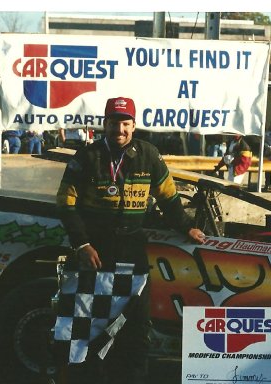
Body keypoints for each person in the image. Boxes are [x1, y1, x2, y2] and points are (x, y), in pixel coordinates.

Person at [54, 96, 205, 384]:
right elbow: (65, 203)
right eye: (113, 123)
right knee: (87, 327)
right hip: (94, 252)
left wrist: (187, 228)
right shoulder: (86, 156)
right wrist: (82, 244)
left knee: (135, 329)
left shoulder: (149, 154)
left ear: (134, 125)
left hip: (132, 252)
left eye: (125, 123)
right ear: (105, 124)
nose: (119, 129)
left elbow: (169, 197)